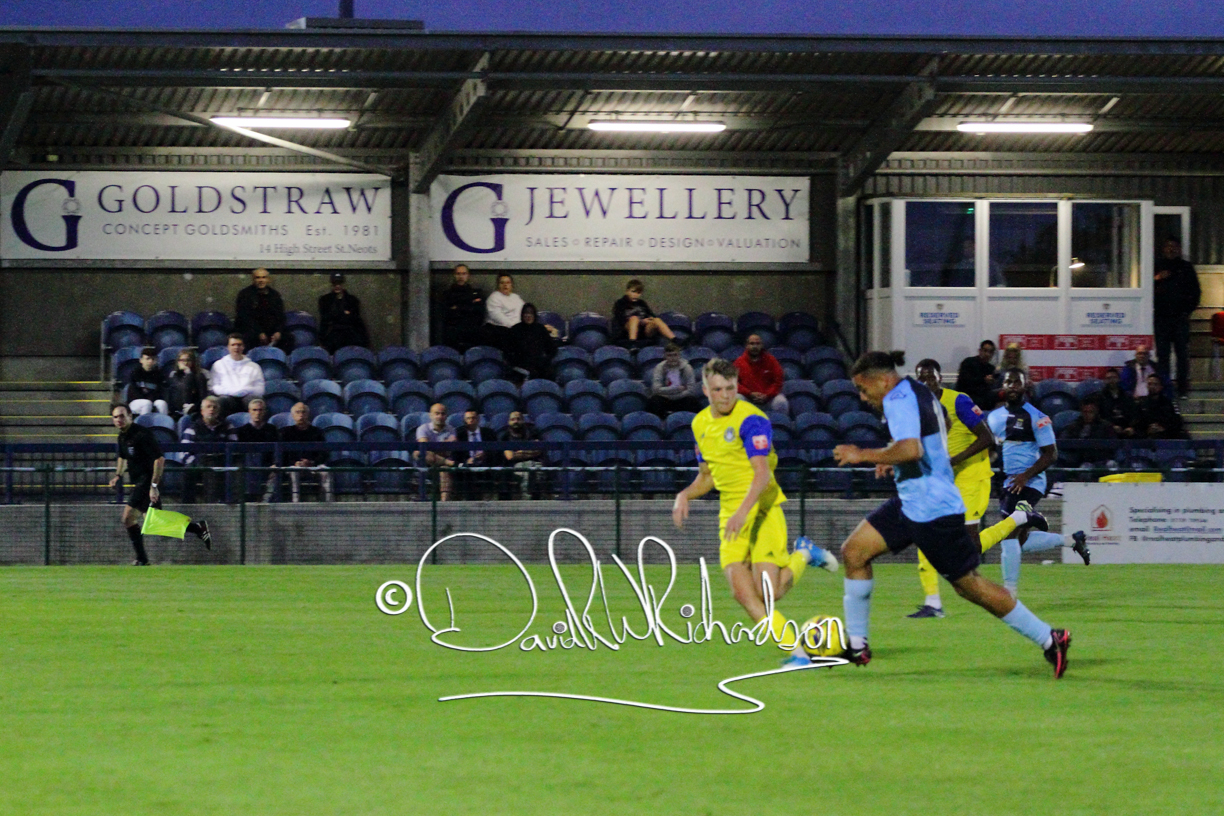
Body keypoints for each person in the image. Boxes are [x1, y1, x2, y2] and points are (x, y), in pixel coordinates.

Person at [830, 351, 1073, 678]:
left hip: (933, 509)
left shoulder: (897, 400)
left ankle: (1049, 638)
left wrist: (863, 454)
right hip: (912, 500)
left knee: (969, 585)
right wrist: (897, 457)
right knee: (854, 552)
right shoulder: (917, 390)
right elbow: (940, 423)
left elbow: (911, 449)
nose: (862, 397)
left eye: (863, 388)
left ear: (883, 380)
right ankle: (858, 645)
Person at [672, 358, 838, 659]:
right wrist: (684, 495)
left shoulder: (753, 420)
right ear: (706, 390)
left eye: (731, 388)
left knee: (768, 593)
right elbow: (707, 477)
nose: (725, 395)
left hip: (762, 509)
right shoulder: (699, 424)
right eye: (718, 389)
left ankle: (803, 553)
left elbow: (761, 474)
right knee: (742, 593)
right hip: (731, 515)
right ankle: (798, 653)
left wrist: (742, 512)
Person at [906, 359, 1049, 619]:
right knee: (924, 531)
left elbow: (987, 438)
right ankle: (933, 602)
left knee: (969, 549)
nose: (926, 382)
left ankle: (1018, 519)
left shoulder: (959, 401)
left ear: (940, 378)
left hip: (972, 477)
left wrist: (953, 460)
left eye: (931, 377)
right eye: (921, 378)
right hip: (944, 481)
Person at [986, 368, 1090, 598]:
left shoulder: (1037, 417)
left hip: (1031, 482)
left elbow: (1051, 454)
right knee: (1020, 541)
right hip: (1009, 482)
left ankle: (1009, 594)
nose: (1013, 386)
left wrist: (1025, 476)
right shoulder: (994, 417)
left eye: (1017, 382)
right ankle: (1072, 540)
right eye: (1009, 382)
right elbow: (990, 448)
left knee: (1008, 533)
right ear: (1003, 386)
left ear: (1025, 386)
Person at [108, 403, 210, 565]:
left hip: (147, 482)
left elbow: (159, 459)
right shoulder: (122, 436)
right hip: (139, 482)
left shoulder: (142, 434)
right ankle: (198, 528)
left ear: (130, 416)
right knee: (156, 523)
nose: (118, 419)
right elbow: (122, 456)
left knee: (127, 518)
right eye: (115, 417)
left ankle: (142, 559)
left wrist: (153, 487)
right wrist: (118, 475)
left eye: (122, 416)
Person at [1154, 238, 1201, 396]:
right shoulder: (1156, 266)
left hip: (1180, 318)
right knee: (1163, 355)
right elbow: (1147, 289)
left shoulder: (1186, 268)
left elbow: (1195, 292)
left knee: (1182, 354)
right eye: (1168, 246)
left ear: (1179, 249)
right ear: (1163, 249)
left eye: (1174, 247)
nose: (1171, 249)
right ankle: (1164, 388)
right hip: (1161, 318)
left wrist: (1186, 311)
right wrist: (1157, 279)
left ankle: (1182, 388)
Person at [181, 396, 233, 504]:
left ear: (219, 411)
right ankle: (187, 506)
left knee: (213, 466)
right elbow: (184, 452)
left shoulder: (228, 427)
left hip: (221, 461)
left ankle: (212, 504)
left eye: (215, 407)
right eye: (208, 407)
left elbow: (234, 447)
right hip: (199, 462)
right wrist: (196, 463)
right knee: (189, 470)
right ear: (202, 411)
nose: (211, 409)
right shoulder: (192, 428)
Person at [278, 402, 332, 502]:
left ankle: (328, 502)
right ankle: (296, 501)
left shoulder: (317, 432)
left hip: (313, 465)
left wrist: (311, 462)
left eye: (303, 412)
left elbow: (324, 453)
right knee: (294, 472)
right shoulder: (285, 432)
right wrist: (295, 462)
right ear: (293, 415)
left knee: (326, 471)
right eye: (298, 412)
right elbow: (282, 454)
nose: (301, 415)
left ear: (308, 414)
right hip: (294, 465)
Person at [235, 267, 293, 353]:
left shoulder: (274, 295)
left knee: (289, 338)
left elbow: (280, 316)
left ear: (268, 279)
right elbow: (244, 317)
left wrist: (278, 332)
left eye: (263, 277)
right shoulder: (244, 295)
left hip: (270, 331)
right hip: (251, 330)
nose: (261, 280)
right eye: (258, 278)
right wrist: (259, 333)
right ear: (253, 279)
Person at [234, 398, 279, 501]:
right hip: (248, 464)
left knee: (276, 471)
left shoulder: (272, 430)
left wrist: (275, 463)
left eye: (260, 410)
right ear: (249, 411)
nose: (257, 413)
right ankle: (249, 498)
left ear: (265, 412)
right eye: (254, 410)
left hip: (267, 464)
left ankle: (266, 501)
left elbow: (277, 449)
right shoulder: (242, 431)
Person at [210, 334, 265, 417]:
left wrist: (245, 390)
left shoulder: (254, 366)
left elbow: (260, 389)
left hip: (248, 398)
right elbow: (215, 387)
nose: (236, 347)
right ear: (228, 347)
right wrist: (233, 391)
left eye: (239, 345)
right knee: (221, 401)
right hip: (228, 398)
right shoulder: (218, 365)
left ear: (243, 347)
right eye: (233, 345)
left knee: (257, 403)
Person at [733, 334, 788, 414]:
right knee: (736, 399)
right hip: (748, 399)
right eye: (752, 344)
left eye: (757, 344)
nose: (755, 346)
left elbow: (778, 381)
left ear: (762, 345)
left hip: (768, 399)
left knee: (781, 402)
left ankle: (779, 421)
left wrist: (767, 395)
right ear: (746, 346)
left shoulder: (771, 360)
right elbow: (734, 382)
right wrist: (749, 393)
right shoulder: (738, 362)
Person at [1058, 396, 1117, 470]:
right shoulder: (1074, 427)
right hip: (1081, 461)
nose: (1087, 415)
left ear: (1096, 412)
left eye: (1091, 412)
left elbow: (1112, 445)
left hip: (1102, 459)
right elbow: (1065, 443)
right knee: (1085, 467)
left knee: (1112, 465)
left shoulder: (1106, 426)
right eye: (1085, 412)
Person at [612, 279, 675, 345]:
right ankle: (632, 343)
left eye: (638, 293)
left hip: (643, 331)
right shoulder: (620, 303)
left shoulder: (642, 303)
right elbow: (620, 319)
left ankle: (674, 339)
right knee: (634, 318)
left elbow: (651, 314)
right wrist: (641, 322)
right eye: (633, 292)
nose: (635, 295)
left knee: (657, 320)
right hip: (627, 330)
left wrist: (650, 319)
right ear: (627, 291)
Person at [317, 272, 369, 353]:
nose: (337, 286)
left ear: (343, 284)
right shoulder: (325, 300)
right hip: (332, 336)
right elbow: (325, 320)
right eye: (335, 283)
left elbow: (356, 319)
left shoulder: (352, 300)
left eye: (339, 283)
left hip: (350, 336)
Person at [647, 342, 702, 418]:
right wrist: (677, 389)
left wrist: (673, 395)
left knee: (692, 401)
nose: (673, 358)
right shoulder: (659, 368)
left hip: (681, 398)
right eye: (669, 355)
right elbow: (655, 389)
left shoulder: (687, 368)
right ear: (665, 356)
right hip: (666, 398)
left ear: (679, 356)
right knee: (654, 401)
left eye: (675, 355)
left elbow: (691, 390)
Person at [505, 303, 557, 381]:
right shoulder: (515, 330)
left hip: (539, 364)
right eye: (526, 313)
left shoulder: (540, 329)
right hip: (521, 365)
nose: (528, 316)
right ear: (522, 315)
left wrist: (545, 360)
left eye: (531, 313)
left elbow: (551, 348)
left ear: (534, 315)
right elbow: (507, 352)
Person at [416, 403, 457, 501]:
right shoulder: (423, 429)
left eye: (443, 414)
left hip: (442, 462)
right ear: (430, 415)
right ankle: (449, 463)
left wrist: (435, 450)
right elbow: (424, 447)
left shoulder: (451, 429)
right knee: (419, 453)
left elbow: (449, 451)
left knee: (444, 468)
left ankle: (444, 502)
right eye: (437, 413)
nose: (440, 416)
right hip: (427, 463)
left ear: (446, 416)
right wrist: (444, 445)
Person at [440, 264, 485, 352]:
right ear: (454, 275)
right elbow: (447, 314)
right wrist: (469, 305)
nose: (461, 276)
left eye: (464, 274)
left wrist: (457, 307)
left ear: (468, 275)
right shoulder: (447, 294)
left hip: (472, 334)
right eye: (458, 274)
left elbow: (479, 313)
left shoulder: (476, 293)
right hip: (453, 335)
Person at [499, 410, 543, 499]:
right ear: (509, 422)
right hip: (516, 465)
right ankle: (527, 501)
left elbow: (538, 451)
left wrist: (519, 452)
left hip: (536, 463)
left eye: (518, 419)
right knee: (526, 475)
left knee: (534, 472)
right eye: (513, 419)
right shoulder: (505, 436)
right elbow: (510, 456)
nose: (516, 421)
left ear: (523, 420)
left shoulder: (533, 432)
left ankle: (533, 500)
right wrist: (529, 450)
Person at [1132, 374, 1187, 440]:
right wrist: (1147, 429)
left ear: (1161, 387)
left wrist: (1163, 428)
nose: (1152, 387)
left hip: (1166, 435)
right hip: (1146, 436)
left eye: (1155, 384)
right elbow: (1136, 422)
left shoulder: (1168, 403)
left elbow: (1177, 421)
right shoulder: (1141, 404)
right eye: (1150, 384)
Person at [453, 409, 491, 499]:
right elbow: (456, 454)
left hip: (485, 464)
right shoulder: (459, 434)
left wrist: (485, 454)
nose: (471, 420)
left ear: (478, 419)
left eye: (473, 418)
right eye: (468, 418)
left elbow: (495, 451)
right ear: (464, 420)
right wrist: (466, 461)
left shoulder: (489, 433)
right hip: (467, 467)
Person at [484, 273, 526, 351]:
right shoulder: (494, 298)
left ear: (512, 285)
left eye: (508, 283)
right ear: (498, 285)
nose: (505, 285)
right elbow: (499, 318)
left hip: (517, 329)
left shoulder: (516, 297)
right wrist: (518, 328)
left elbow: (524, 312)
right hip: (500, 331)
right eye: (502, 283)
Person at [166, 348, 209, 420]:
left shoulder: (200, 376)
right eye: (182, 360)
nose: (185, 363)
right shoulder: (174, 375)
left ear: (193, 362)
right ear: (178, 362)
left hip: (194, 409)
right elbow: (176, 391)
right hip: (176, 409)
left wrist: (189, 374)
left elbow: (202, 397)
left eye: (188, 360)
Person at [955, 339, 998, 411]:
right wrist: (983, 380)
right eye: (985, 351)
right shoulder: (968, 362)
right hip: (966, 397)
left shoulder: (991, 368)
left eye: (990, 352)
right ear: (980, 351)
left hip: (982, 400)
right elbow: (964, 381)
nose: (987, 354)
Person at [126, 347, 169, 416]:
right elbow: (133, 392)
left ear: (156, 361)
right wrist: (148, 400)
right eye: (147, 359)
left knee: (162, 403)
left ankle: (163, 422)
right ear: (141, 360)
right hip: (135, 402)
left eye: (153, 359)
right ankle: (145, 422)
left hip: (152, 401)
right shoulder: (135, 373)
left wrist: (151, 400)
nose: (150, 361)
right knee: (146, 403)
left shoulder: (159, 375)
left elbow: (160, 393)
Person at [1098, 367, 1137, 438]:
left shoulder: (1127, 396)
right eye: (1109, 378)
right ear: (1105, 380)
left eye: (1114, 377)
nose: (1112, 380)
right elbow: (1098, 417)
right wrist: (1111, 426)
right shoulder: (1100, 397)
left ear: (1119, 379)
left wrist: (1131, 427)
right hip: (1107, 431)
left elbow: (1133, 414)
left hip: (1126, 430)